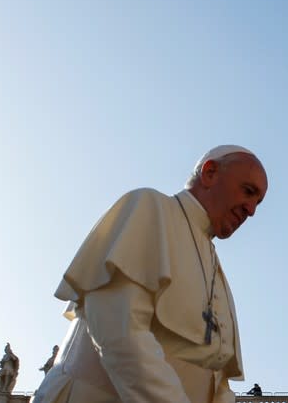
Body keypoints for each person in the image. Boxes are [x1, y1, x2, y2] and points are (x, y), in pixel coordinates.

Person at [32, 145, 268, 403]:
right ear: (209, 172)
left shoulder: (216, 271)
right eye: (248, 191)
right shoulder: (149, 207)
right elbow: (120, 330)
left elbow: (217, 377)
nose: (252, 210)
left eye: (258, 202)